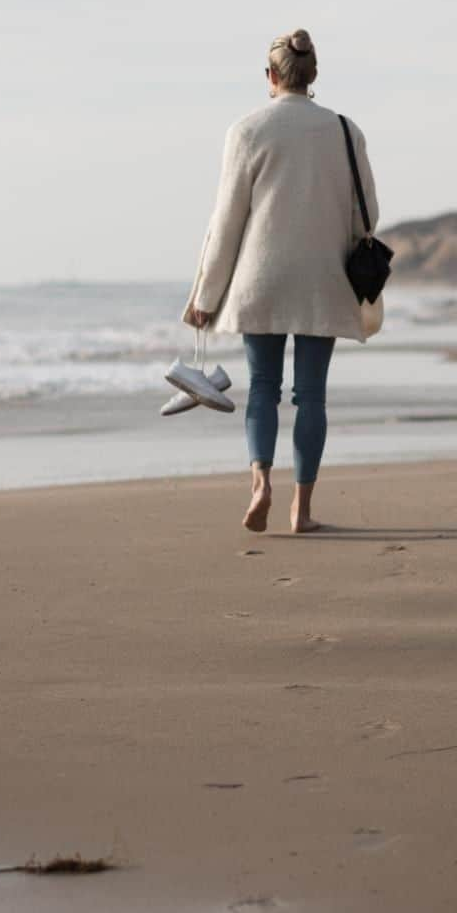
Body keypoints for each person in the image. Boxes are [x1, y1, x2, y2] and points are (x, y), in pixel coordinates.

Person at [181, 27, 380, 535]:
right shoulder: (344, 130)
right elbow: (368, 215)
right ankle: (302, 511)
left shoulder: (246, 130)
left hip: (261, 279)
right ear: (312, 77)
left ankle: (260, 485)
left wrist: (205, 296)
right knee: (311, 397)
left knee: (261, 390)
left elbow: (227, 221)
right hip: (323, 279)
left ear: (270, 77)